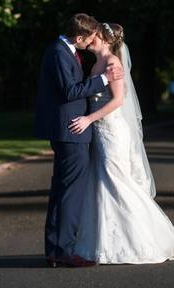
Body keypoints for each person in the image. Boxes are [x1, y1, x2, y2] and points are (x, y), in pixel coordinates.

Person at [67, 22, 174, 264]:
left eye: (96, 35)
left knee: (116, 181)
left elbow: (117, 101)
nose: (91, 38)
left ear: (105, 40)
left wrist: (88, 119)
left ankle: (143, 241)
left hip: (112, 131)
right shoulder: (95, 64)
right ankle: (106, 244)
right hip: (100, 131)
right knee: (102, 183)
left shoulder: (113, 63)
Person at [34, 14, 123, 268]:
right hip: (71, 131)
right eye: (90, 37)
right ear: (79, 37)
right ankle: (63, 250)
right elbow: (70, 91)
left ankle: (55, 249)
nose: (93, 41)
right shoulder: (59, 52)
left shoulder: (64, 50)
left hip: (68, 131)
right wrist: (105, 78)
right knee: (70, 193)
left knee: (62, 191)